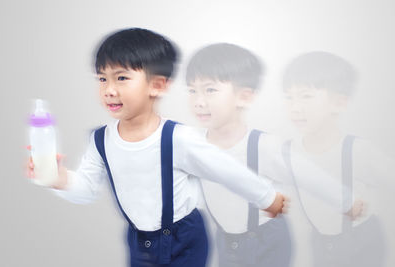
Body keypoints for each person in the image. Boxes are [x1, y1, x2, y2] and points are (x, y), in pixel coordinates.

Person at [25, 28, 286, 267]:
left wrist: (266, 196)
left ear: (157, 85)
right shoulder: (100, 141)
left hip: (184, 238)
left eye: (122, 78)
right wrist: (60, 180)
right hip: (139, 239)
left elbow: (225, 170)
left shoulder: (177, 137)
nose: (109, 90)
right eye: (102, 79)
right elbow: (87, 189)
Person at [185, 43, 360, 267]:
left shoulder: (263, 145)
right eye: (192, 91)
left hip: (266, 240)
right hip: (227, 239)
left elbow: (308, 175)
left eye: (210, 90)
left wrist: (346, 201)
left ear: (244, 97)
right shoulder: (192, 143)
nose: (199, 101)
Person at [281, 51, 389, 267]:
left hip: (362, 243)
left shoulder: (358, 150)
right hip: (321, 242)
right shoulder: (288, 152)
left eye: (306, 96)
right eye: (289, 97)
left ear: (339, 103)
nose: (295, 108)